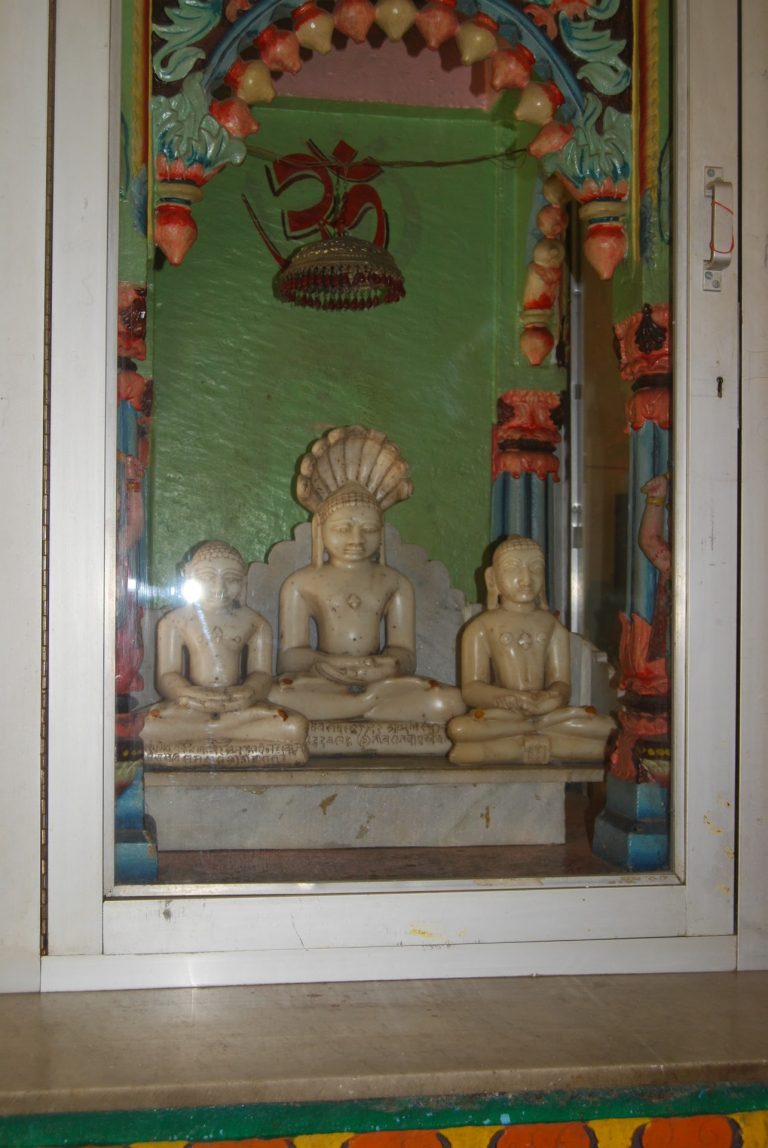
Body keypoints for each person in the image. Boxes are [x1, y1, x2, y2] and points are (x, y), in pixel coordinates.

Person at [269, 427, 464, 724]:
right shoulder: (300, 583)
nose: (356, 539)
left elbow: (405, 654)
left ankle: (356, 706)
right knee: (276, 695)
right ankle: (366, 706)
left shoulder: (395, 583)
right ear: (320, 529)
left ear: (381, 532)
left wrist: (388, 665)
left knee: (449, 701)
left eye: (369, 529)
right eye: (342, 529)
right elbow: (290, 656)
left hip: (382, 683)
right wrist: (325, 664)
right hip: (324, 681)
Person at [448, 536, 614, 764]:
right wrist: (507, 698)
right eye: (513, 568)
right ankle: (543, 741)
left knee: (607, 727)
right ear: (492, 578)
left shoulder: (552, 626)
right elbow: (471, 689)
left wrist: (553, 698)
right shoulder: (480, 627)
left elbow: (562, 683)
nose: (526, 579)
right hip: (504, 716)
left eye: (535, 569)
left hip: (547, 715)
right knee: (460, 729)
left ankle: (518, 746)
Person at [142, 541, 307, 765]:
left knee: (294, 726)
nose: (219, 588)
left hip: (238, 707)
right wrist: (188, 693)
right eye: (208, 577)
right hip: (191, 707)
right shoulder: (174, 622)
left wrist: (248, 692)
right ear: (189, 576)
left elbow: (262, 674)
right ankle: (242, 745)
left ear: (243, 581)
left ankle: (197, 747)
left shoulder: (255, 622)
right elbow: (166, 675)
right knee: (147, 727)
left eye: (231, 579)